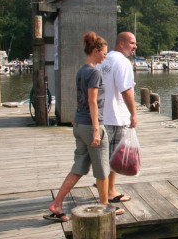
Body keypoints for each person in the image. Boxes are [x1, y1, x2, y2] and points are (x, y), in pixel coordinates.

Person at [44, 31, 122, 222]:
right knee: (103, 171)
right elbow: (92, 101)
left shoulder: (82, 70)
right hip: (91, 126)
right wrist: (97, 130)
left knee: (78, 168)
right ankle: (105, 208)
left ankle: (57, 204)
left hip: (78, 124)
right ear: (95, 51)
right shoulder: (94, 72)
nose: (105, 56)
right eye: (104, 53)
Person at [100, 31, 138, 203]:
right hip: (116, 116)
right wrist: (133, 113)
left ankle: (105, 187)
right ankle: (110, 191)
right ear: (121, 43)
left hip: (101, 115)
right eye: (132, 43)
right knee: (114, 157)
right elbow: (125, 90)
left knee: (103, 156)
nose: (134, 47)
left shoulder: (103, 60)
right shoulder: (122, 62)